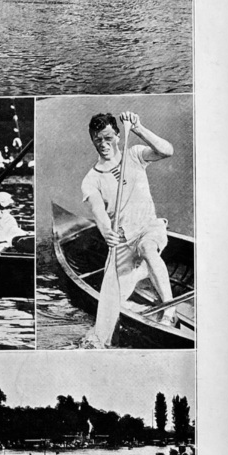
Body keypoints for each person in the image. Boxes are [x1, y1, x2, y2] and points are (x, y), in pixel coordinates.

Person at [81, 111, 176, 327]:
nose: (103, 144)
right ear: (92, 140)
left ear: (118, 136)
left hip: (148, 229)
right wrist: (106, 231)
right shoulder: (91, 179)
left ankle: (170, 310)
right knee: (113, 304)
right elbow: (98, 210)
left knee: (148, 250)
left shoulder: (134, 155)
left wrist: (138, 129)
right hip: (123, 241)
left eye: (108, 138)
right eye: (98, 139)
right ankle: (141, 273)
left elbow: (167, 151)